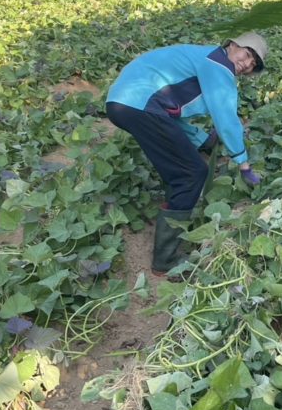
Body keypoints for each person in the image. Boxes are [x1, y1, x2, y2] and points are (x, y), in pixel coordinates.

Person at [105, 32, 267, 274]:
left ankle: (174, 204)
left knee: (182, 164)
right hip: (138, 103)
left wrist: (203, 139)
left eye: (252, 64)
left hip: (125, 102)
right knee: (191, 173)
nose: (246, 65)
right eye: (247, 55)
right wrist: (243, 164)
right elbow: (226, 118)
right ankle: (166, 260)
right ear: (232, 45)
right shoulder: (218, 64)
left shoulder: (204, 57)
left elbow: (169, 114)